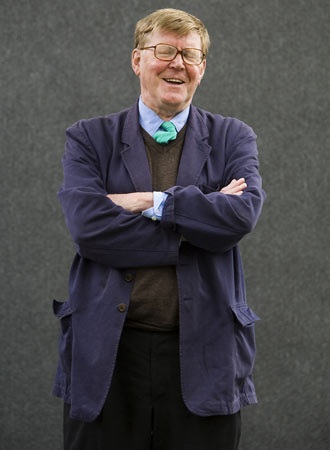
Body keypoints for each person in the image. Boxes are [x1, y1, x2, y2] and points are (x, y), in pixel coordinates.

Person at [53, 8, 266, 450]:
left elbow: (241, 216)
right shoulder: (89, 138)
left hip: (204, 353)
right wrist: (198, 222)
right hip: (108, 354)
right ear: (137, 60)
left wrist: (152, 201)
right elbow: (89, 228)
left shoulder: (233, 137)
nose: (177, 63)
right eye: (164, 50)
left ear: (202, 68)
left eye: (189, 54)